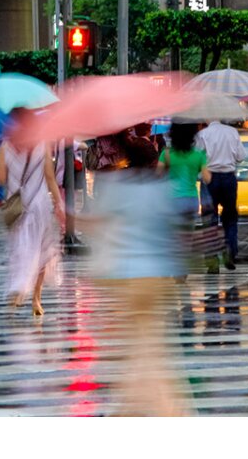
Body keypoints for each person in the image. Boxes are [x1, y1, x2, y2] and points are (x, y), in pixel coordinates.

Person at [81, 136, 192, 416]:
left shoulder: (118, 187)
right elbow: (174, 229)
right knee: (150, 344)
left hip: (127, 277)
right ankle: (155, 406)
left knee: (141, 345)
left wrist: (69, 217)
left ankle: (150, 407)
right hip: (156, 277)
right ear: (153, 160)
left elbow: (98, 223)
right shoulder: (163, 188)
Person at [0, 109, 65, 316]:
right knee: (42, 253)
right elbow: (50, 178)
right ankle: (36, 299)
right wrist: (59, 204)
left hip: (17, 207)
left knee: (20, 250)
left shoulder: (5, 146)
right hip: (39, 206)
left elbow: (1, 178)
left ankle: (18, 289)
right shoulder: (42, 144)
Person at [195, 120, 246, 271]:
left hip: (209, 178)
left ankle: (212, 261)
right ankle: (230, 250)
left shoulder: (203, 134)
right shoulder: (232, 132)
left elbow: (198, 157)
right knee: (230, 216)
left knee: (209, 220)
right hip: (229, 178)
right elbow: (241, 156)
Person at [158, 122, 211, 221]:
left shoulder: (166, 154)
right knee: (188, 235)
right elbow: (207, 179)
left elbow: (158, 176)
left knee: (174, 234)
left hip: (172, 199)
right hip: (191, 199)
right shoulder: (199, 155)